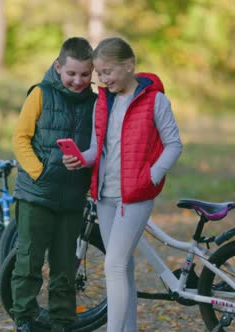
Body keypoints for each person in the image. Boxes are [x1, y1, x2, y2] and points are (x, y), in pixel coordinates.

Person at [63, 36, 183, 331]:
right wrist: (81, 158)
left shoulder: (155, 100)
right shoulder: (103, 102)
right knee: (123, 267)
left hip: (136, 196)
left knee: (113, 264)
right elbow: (96, 147)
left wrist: (151, 177)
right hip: (105, 195)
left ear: (129, 65)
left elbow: (174, 145)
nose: (102, 79)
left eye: (108, 72)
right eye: (99, 74)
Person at [11, 37, 97, 332]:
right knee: (29, 261)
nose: (78, 81)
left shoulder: (96, 103)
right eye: (71, 73)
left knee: (64, 267)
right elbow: (20, 138)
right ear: (58, 67)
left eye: (85, 75)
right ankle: (24, 317)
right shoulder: (40, 93)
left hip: (72, 199)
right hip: (37, 194)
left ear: (93, 72)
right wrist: (39, 172)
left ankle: (62, 322)